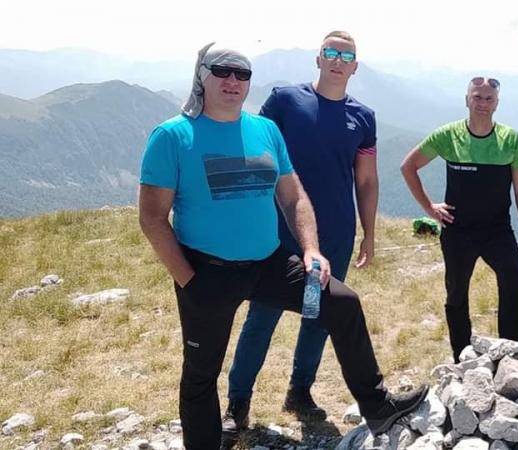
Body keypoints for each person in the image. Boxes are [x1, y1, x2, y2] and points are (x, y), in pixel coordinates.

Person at [137, 42, 425, 449]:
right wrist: (187, 278)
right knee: (201, 373)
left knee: (342, 303)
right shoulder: (172, 136)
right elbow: (152, 218)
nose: (233, 81)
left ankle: (377, 407)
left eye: (242, 74)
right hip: (206, 271)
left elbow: (293, 197)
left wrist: (310, 249)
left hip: (269, 262)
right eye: (222, 71)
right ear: (202, 76)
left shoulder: (264, 131)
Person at [221, 30, 380, 430]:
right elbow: (254, 149)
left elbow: (366, 180)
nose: (338, 60)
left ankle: (300, 391)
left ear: (356, 67)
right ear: (318, 58)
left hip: (336, 233)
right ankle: (238, 403)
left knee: (319, 314)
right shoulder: (285, 100)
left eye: (347, 56)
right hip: (279, 229)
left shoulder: (363, 117)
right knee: (263, 313)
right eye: (331, 52)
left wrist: (369, 232)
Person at [400, 76, 518, 362]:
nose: (482, 103)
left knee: (512, 280)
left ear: (497, 103)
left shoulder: (510, 139)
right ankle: (462, 356)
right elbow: (408, 166)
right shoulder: (448, 135)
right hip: (457, 230)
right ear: (467, 100)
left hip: (498, 230)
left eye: (489, 99)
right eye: (477, 97)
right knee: (456, 292)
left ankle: (512, 357)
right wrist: (429, 208)